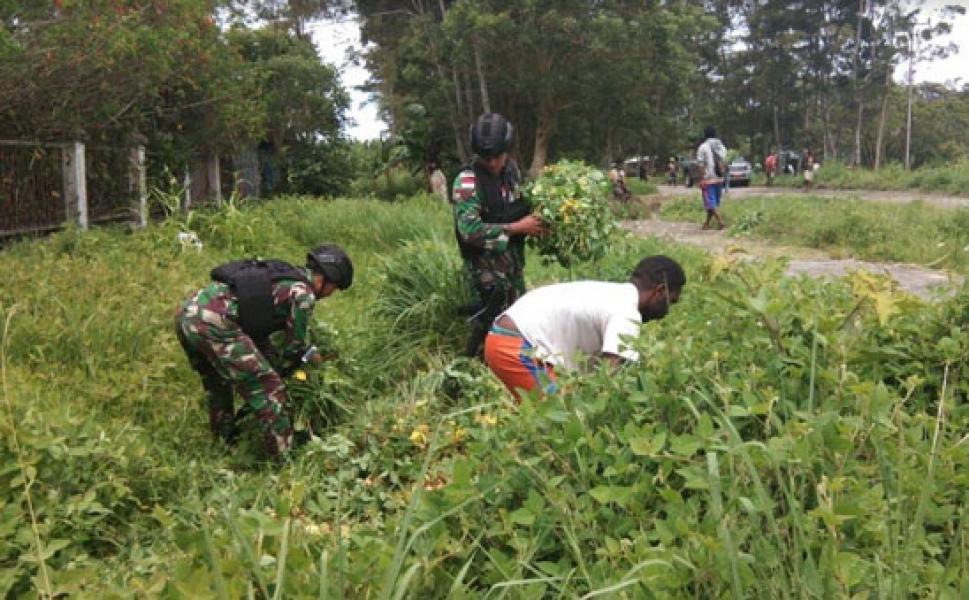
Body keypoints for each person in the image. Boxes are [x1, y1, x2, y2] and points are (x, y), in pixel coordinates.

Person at [174, 245, 353, 458]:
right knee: (271, 389)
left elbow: (256, 320)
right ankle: (282, 461)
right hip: (214, 322)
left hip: (188, 313)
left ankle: (223, 442)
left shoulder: (284, 275)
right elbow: (295, 347)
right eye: (334, 288)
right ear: (323, 280)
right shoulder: (304, 294)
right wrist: (313, 358)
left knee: (218, 381)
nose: (331, 294)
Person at [484, 255, 685, 401]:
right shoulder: (627, 312)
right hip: (515, 347)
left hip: (509, 339)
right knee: (559, 415)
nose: (667, 312)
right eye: (671, 302)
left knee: (551, 409)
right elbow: (607, 378)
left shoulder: (614, 294)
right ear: (660, 292)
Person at [453, 112, 545, 358]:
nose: (493, 163)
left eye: (498, 156)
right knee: (490, 326)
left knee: (519, 320)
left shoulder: (511, 172)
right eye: (487, 158)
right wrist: (517, 228)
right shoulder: (467, 182)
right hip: (485, 271)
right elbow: (470, 231)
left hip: (513, 267)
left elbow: (517, 206)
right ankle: (473, 366)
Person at [697, 126, 727, 230]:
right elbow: (724, 161)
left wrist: (702, 179)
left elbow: (701, 165)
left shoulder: (703, 147)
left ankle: (721, 222)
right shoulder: (721, 146)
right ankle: (706, 223)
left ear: (705, 135)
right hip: (719, 178)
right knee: (714, 203)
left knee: (710, 203)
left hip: (708, 179)